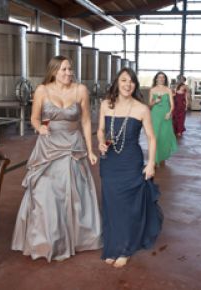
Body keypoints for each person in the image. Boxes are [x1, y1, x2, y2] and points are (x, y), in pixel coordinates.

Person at [11, 56, 102, 262]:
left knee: (73, 193)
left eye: (70, 69)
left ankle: (76, 238)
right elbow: (34, 117)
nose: (69, 73)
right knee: (45, 191)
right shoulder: (42, 90)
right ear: (54, 71)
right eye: (64, 69)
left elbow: (86, 121)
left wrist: (90, 150)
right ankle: (48, 241)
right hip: (49, 146)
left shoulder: (81, 90)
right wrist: (39, 127)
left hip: (72, 146)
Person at [98, 68, 163, 268]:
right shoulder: (105, 105)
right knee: (111, 205)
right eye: (124, 80)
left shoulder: (142, 108)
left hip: (131, 161)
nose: (127, 84)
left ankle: (125, 248)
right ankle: (112, 245)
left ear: (135, 85)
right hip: (109, 161)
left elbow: (151, 138)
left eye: (131, 81)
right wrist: (100, 142)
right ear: (117, 82)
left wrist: (151, 163)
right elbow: (100, 130)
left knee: (127, 206)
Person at [149, 71, 178, 165]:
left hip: (166, 115)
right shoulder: (152, 90)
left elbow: (172, 105)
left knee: (164, 137)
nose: (161, 79)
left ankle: (162, 156)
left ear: (164, 79)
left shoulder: (168, 90)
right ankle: (154, 159)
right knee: (155, 136)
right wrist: (155, 101)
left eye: (163, 77)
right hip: (155, 115)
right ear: (156, 79)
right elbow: (150, 105)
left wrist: (169, 113)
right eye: (159, 77)